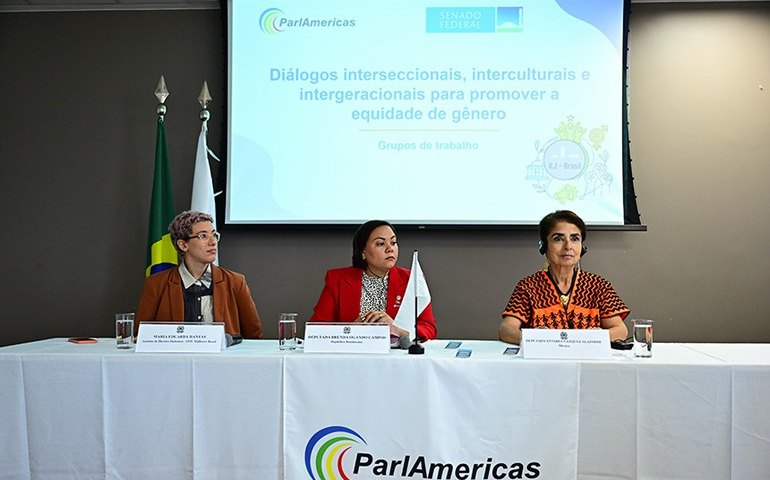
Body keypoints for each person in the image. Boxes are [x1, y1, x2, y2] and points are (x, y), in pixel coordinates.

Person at [499, 210, 629, 345]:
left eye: (575, 239)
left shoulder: (598, 285)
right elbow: (506, 329)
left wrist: (594, 337)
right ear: (544, 246)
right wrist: (534, 339)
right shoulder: (528, 286)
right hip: (543, 362)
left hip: (587, 362)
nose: (568, 246)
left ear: (582, 247)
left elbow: (620, 330)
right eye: (558, 239)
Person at [136, 211, 263, 339]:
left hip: (222, 359)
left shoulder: (235, 282)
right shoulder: (156, 284)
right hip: (174, 358)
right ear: (183, 245)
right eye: (203, 236)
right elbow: (140, 336)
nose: (213, 242)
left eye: (214, 235)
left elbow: (254, 338)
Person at [310, 220, 437, 342]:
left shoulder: (412, 279)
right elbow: (316, 328)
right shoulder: (338, 279)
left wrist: (397, 330)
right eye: (380, 244)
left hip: (396, 357)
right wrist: (351, 329)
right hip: (351, 356)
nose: (390, 249)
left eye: (393, 243)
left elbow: (429, 328)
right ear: (363, 252)